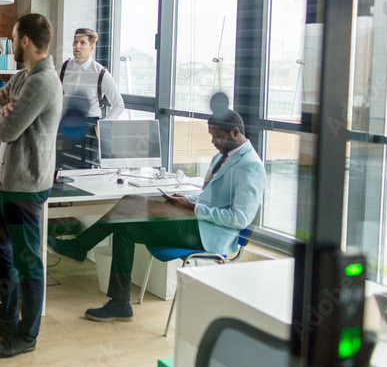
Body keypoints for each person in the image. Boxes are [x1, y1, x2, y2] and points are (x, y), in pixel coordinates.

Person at [48, 109, 265, 322]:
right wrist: (189, 201)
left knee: (128, 203)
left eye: (216, 135)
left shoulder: (250, 166)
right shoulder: (222, 157)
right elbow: (213, 197)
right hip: (196, 220)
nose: (212, 141)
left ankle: (78, 247)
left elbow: (239, 218)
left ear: (235, 132)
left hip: (208, 233)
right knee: (125, 228)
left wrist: (193, 208)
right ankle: (120, 303)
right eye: (211, 135)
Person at [0, 13, 62, 357]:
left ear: (24, 40)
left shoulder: (42, 82)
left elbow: (7, 132)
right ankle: (8, 316)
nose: (10, 44)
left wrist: (3, 114)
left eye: (13, 38)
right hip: (9, 180)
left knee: (27, 261)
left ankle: (26, 335)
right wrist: (2, 110)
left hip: (27, 184)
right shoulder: (24, 76)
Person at [57, 28, 124, 169]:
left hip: (89, 128)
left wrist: (103, 125)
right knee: (59, 168)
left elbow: (118, 104)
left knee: (85, 171)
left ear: (92, 47)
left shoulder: (101, 73)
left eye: (82, 43)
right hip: (64, 126)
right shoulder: (61, 68)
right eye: (75, 42)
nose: (77, 46)